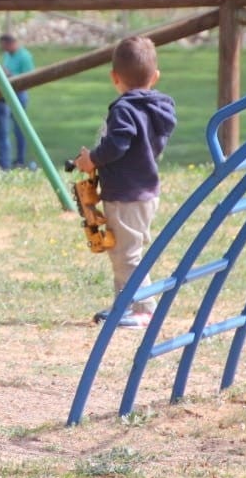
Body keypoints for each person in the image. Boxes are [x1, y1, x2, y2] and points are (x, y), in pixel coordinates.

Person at [74, 35, 177, 330]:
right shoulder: (158, 108)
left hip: (126, 194)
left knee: (127, 255)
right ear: (155, 76)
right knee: (124, 251)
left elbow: (117, 145)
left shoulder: (124, 110)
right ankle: (124, 306)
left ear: (114, 78)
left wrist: (91, 159)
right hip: (146, 192)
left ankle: (144, 308)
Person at [0, 32, 36, 167]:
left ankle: (20, 158)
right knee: (4, 126)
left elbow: (30, 77)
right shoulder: (7, 55)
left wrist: (11, 75)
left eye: (4, 46)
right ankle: (5, 158)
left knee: (19, 128)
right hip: (6, 94)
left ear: (11, 43)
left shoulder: (24, 56)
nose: (3, 49)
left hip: (19, 94)